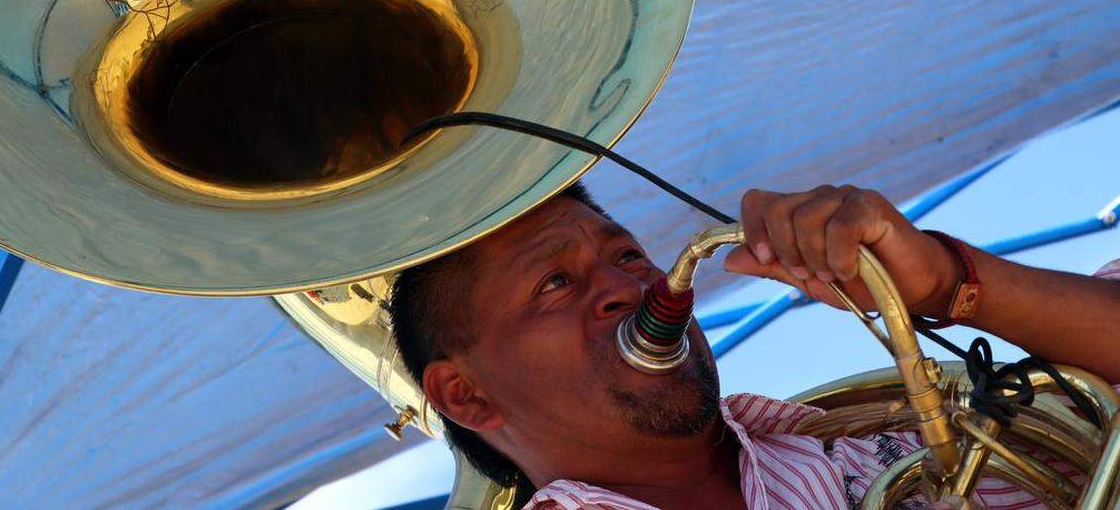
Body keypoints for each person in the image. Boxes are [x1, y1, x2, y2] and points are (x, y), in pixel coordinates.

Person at [390, 182, 1120, 509]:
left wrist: (948, 284)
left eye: (628, 256)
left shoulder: (873, 439)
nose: (625, 286)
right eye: (553, 283)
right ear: (467, 395)